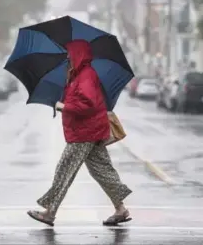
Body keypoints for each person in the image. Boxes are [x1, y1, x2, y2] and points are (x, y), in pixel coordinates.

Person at [27, 40, 132, 227]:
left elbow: (88, 105)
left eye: (70, 54)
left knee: (64, 170)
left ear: (79, 54)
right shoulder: (77, 76)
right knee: (102, 170)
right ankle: (121, 209)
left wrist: (64, 106)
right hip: (91, 130)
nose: (68, 57)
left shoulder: (86, 76)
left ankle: (50, 212)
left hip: (85, 132)